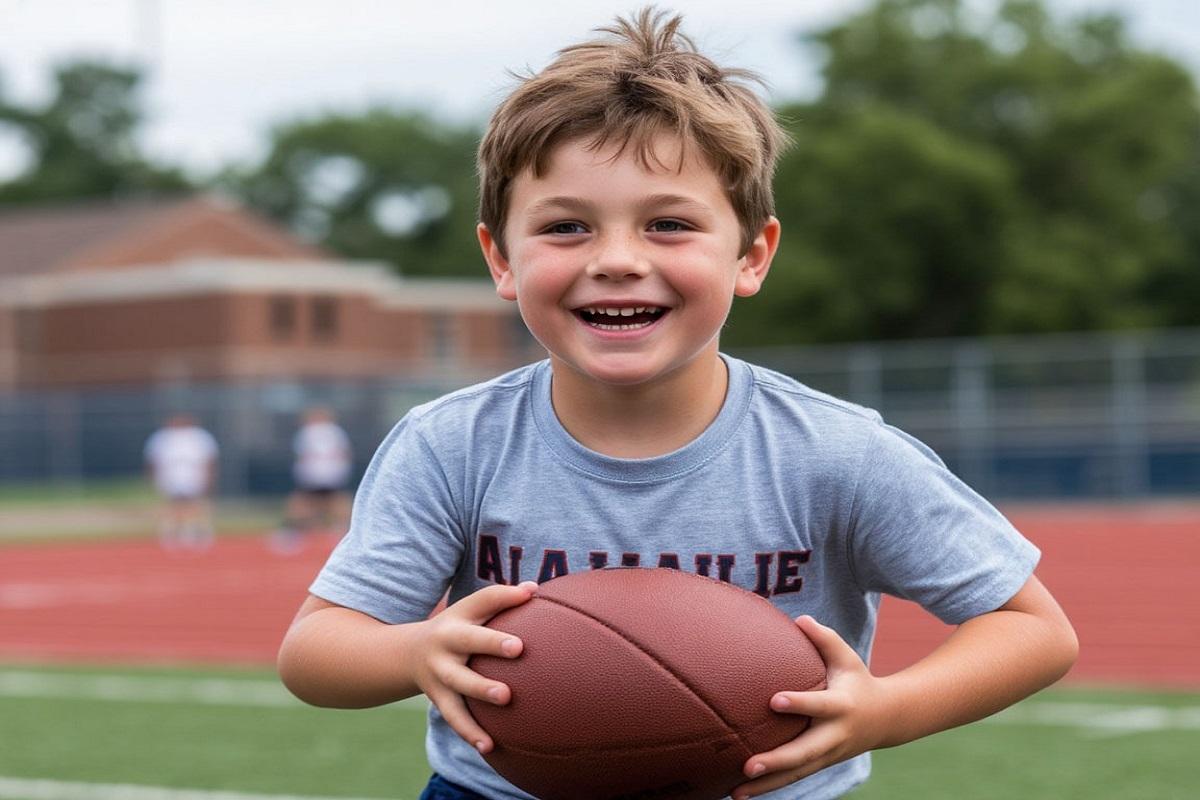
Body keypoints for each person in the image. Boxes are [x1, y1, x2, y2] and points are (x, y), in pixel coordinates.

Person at [277, 9, 1078, 800]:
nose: (618, 260)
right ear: (501, 259)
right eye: (565, 227)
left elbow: (1035, 631)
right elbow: (315, 652)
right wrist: (416, 651)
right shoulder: (452, 445)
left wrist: (887, 709)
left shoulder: (835, 452)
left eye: (668, 224)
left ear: (751, 255)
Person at [272, 406, 354, 553]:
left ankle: (291, 533)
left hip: (314, 473)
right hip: (333, 473)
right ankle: (345, 532)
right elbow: (344, 454)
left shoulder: (308, 432)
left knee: (303, 503)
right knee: (334, 502)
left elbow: (303, 455)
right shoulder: (336, 432)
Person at [144, 412, 219, 552]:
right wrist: (154, 479)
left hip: (193, 476)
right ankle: (171, 533)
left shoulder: (199, 437)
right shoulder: (162, 438)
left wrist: (208, 478)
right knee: (172, 506)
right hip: (171, 476)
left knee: (196, 505)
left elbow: (209, 460)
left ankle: (196, 533)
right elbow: (153, 461)